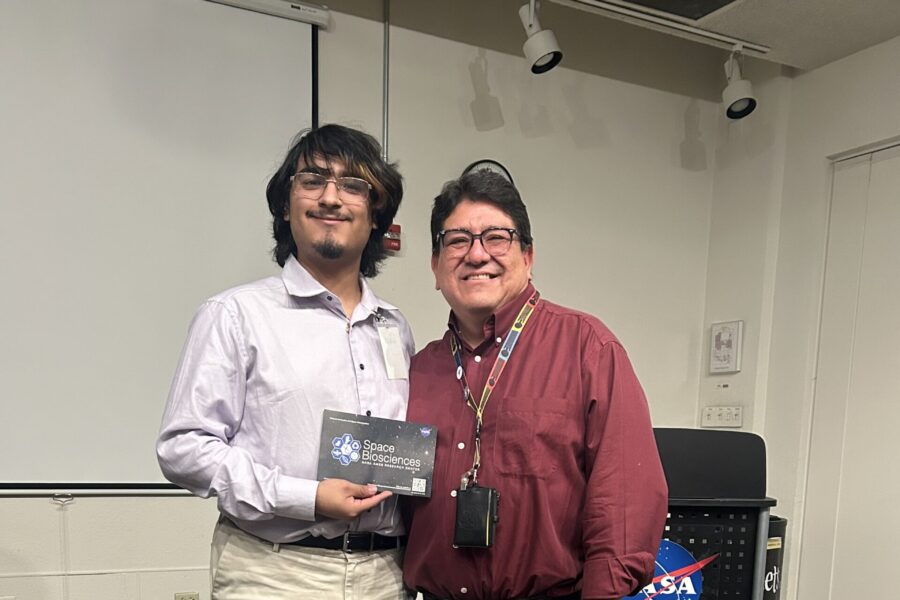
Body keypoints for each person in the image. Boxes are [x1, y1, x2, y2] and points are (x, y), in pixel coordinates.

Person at [157, 124, 414, 600]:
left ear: (376, 214)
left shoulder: (395, 327)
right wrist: (307, 497)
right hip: (274, 574)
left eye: (353, 185)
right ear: (285, 204)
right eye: (313, 180)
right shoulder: (234, 315)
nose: (331, 198)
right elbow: (183, 448)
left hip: (387, 573)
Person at [403, 170, 668, 600]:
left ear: (527, 256)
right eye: (456, 240)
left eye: (496, 237)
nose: (476, 255)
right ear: (435, 267)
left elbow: (624, 507)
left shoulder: (588, 348)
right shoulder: (417, 372)